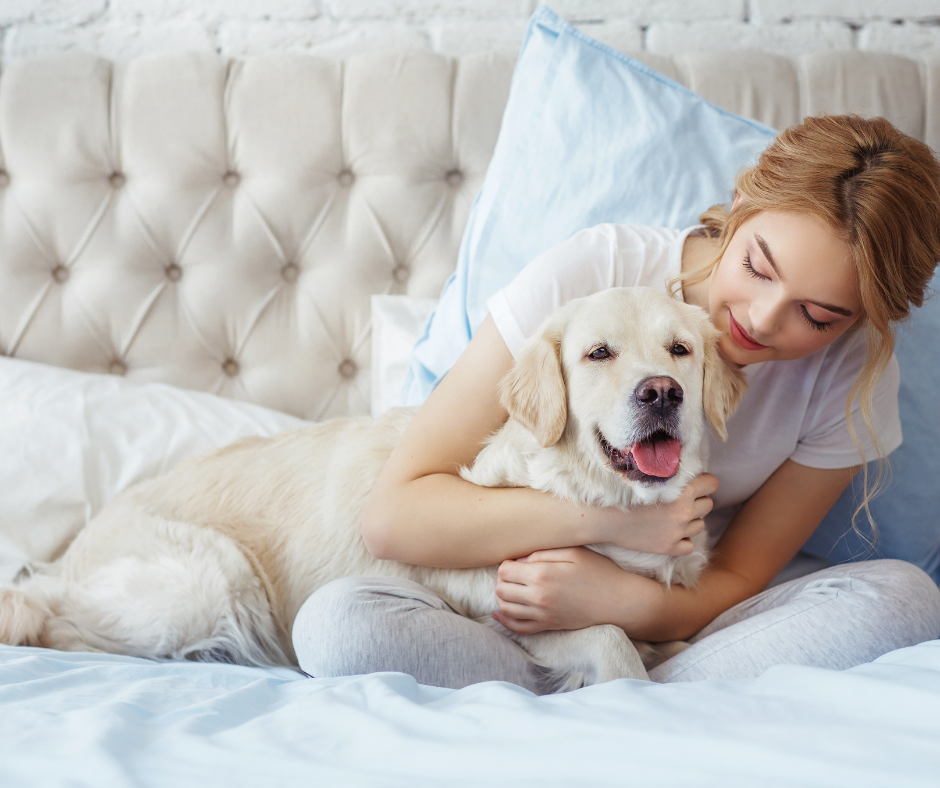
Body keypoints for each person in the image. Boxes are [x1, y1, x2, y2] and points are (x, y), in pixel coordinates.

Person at [291, 115, 940, 693]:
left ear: (859, 320)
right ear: (741, 205)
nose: (763, 319)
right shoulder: (592, 272)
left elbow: (738, 577)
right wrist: (607, 527)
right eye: (759, 268)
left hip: (679, 606)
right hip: (523, 604)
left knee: (906, 599)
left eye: (819, 315)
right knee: (339, 623)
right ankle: (631, 693)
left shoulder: (850, 376)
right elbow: (395, 515)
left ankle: (620, 693)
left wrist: (622, 603)